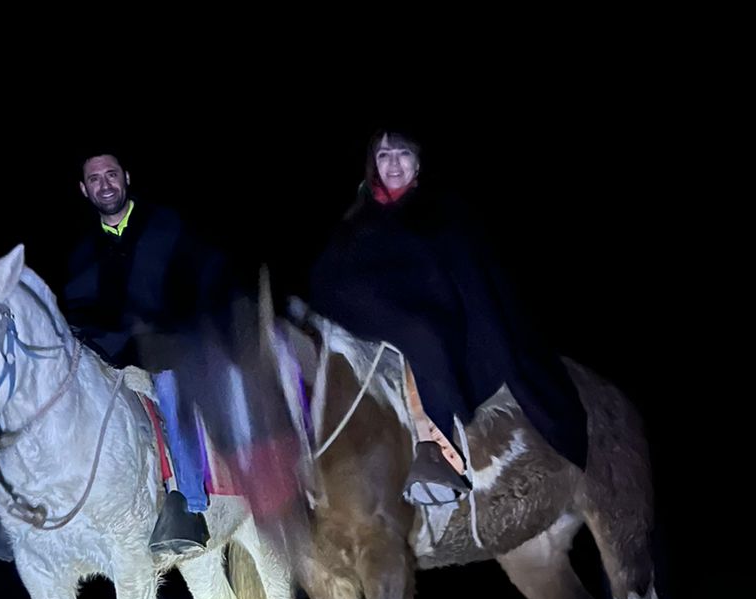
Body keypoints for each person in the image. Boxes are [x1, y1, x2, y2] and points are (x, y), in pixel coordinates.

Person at [308, 129, 588, 505]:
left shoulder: (441, 212)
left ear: (419, 160)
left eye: (402, 154)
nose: (393, 164)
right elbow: (334, 274)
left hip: (435, 315)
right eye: (384, 154)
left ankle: (437, 447)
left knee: (422, 335)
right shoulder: (359, 218)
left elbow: (463, 275)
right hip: (367, 315)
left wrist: (419, 297)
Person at [64, 151, 242, 557]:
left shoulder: (166, 226)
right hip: (110, 351)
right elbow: (80, 310)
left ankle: (190, 505)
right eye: (95, 179)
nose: (105, 184)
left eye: (111, 174)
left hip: (170, 346)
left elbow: (203, 280)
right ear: (83, 189)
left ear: (126, 177)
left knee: (171, 390)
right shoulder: (83, 250)